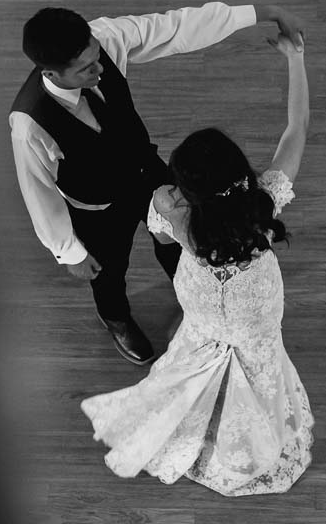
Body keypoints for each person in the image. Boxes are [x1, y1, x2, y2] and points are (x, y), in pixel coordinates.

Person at [10, 1, 308, 365]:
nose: (101, 69)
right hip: (96, 205)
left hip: (148, 173)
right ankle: (116, 319)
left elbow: (178, 27)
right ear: (51, 73)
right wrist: (69, 251)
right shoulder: (29, 123)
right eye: (86, 69)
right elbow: (37, 190)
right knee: (107, 268)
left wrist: (264, 12)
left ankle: (196, 293)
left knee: (182, 243)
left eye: (97, 57)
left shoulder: (105, 38)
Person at [80, 30, 311, 495]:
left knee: (199, 354)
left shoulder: (169, 209)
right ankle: (248, 443)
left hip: (203, 311)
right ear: (239, 174)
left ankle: (199, 431)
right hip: (256, 316)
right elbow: (297, 128)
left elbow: (154, 222)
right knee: (259, 371)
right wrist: (296, 58)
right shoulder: (261, 207)